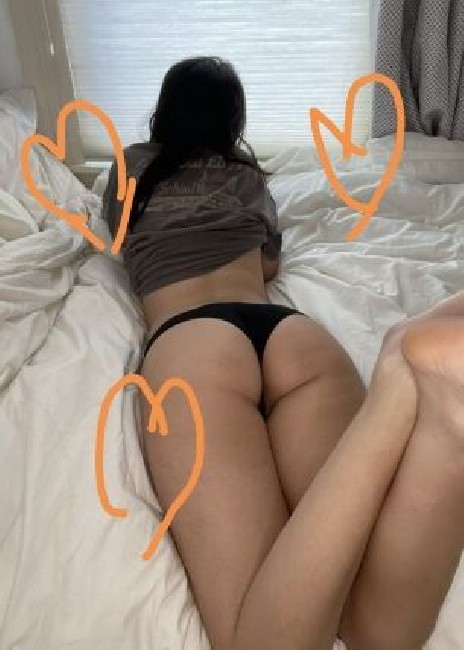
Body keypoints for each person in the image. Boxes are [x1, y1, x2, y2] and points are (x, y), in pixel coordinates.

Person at [102, 56, 464, 650]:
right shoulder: (245, 177)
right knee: (373, 623)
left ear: (165, 110)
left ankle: (404, 386)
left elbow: (119, 236)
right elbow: (269, 263)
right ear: (232, 120)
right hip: (290, 335)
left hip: (194, 339)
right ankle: (417, 398)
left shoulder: (130, 167)